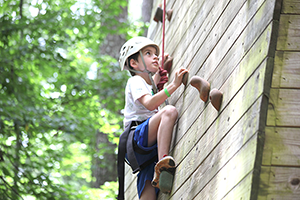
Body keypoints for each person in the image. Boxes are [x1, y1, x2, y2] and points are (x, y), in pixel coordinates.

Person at [118, 36, 188, 200]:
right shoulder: (135, 81)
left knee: (148, 193)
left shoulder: (145, 84)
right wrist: (174, 85)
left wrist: (159, 69)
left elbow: (152, 90)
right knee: (169, 112)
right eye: (148, 54)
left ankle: (159, 168)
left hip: (144, 149)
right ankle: (163, 163)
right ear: (134, 63)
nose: (155, 56)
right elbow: (149, 103)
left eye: (155, 53)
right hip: (137, 137)